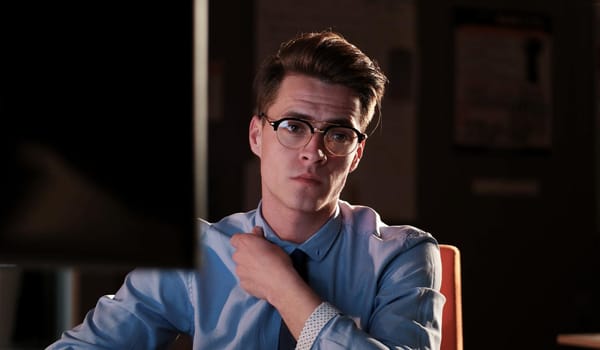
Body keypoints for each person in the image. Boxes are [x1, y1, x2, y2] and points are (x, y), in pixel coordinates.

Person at [47, 30, 443, 349]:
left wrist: (284, 289)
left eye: (338, 134)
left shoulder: (401, 255)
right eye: (293, 126)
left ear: (355, 154)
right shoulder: (198, 254)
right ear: (257, 136)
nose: (314, 152)